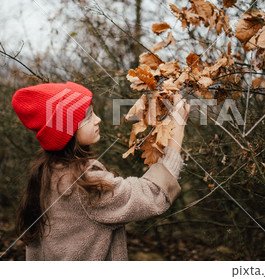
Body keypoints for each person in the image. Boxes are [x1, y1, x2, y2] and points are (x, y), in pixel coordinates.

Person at [11, 81, 191, 261]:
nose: (98, 119)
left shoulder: (47, 173)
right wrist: (178, 127)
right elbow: (153, 193)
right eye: (88, 116)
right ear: (66, 131)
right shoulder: (84, 185)